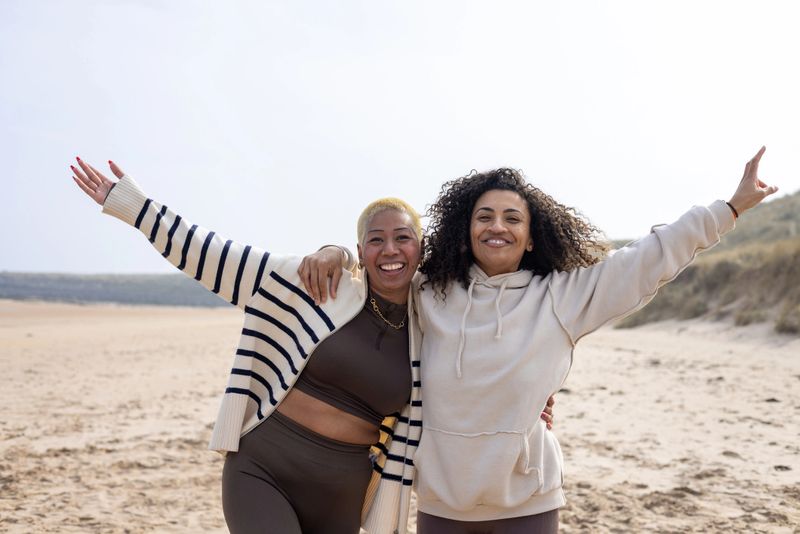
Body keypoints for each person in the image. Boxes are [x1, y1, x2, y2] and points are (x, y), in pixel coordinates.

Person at [69, 157, 557, 534]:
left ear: (420, 249)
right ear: (360, 250)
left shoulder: (438, 315)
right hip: (264, 467)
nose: (390, 249)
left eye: (403, 238)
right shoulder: (315, 285)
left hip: (344, 489)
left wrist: (533, 400)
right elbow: (211, 255)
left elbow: (493, 355)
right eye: (374, 240)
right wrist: (133, 207)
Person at [303, 147, 778, 533]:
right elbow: (382, 264)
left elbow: (647, 259)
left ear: (531, 238)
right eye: (484, 216)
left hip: (527, 503)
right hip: (443, 504)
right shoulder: (429, 292)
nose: (497, 226)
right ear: (466, 232)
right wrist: (336, 250)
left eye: (513, 219)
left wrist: (729, 208)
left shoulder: (563, 298)